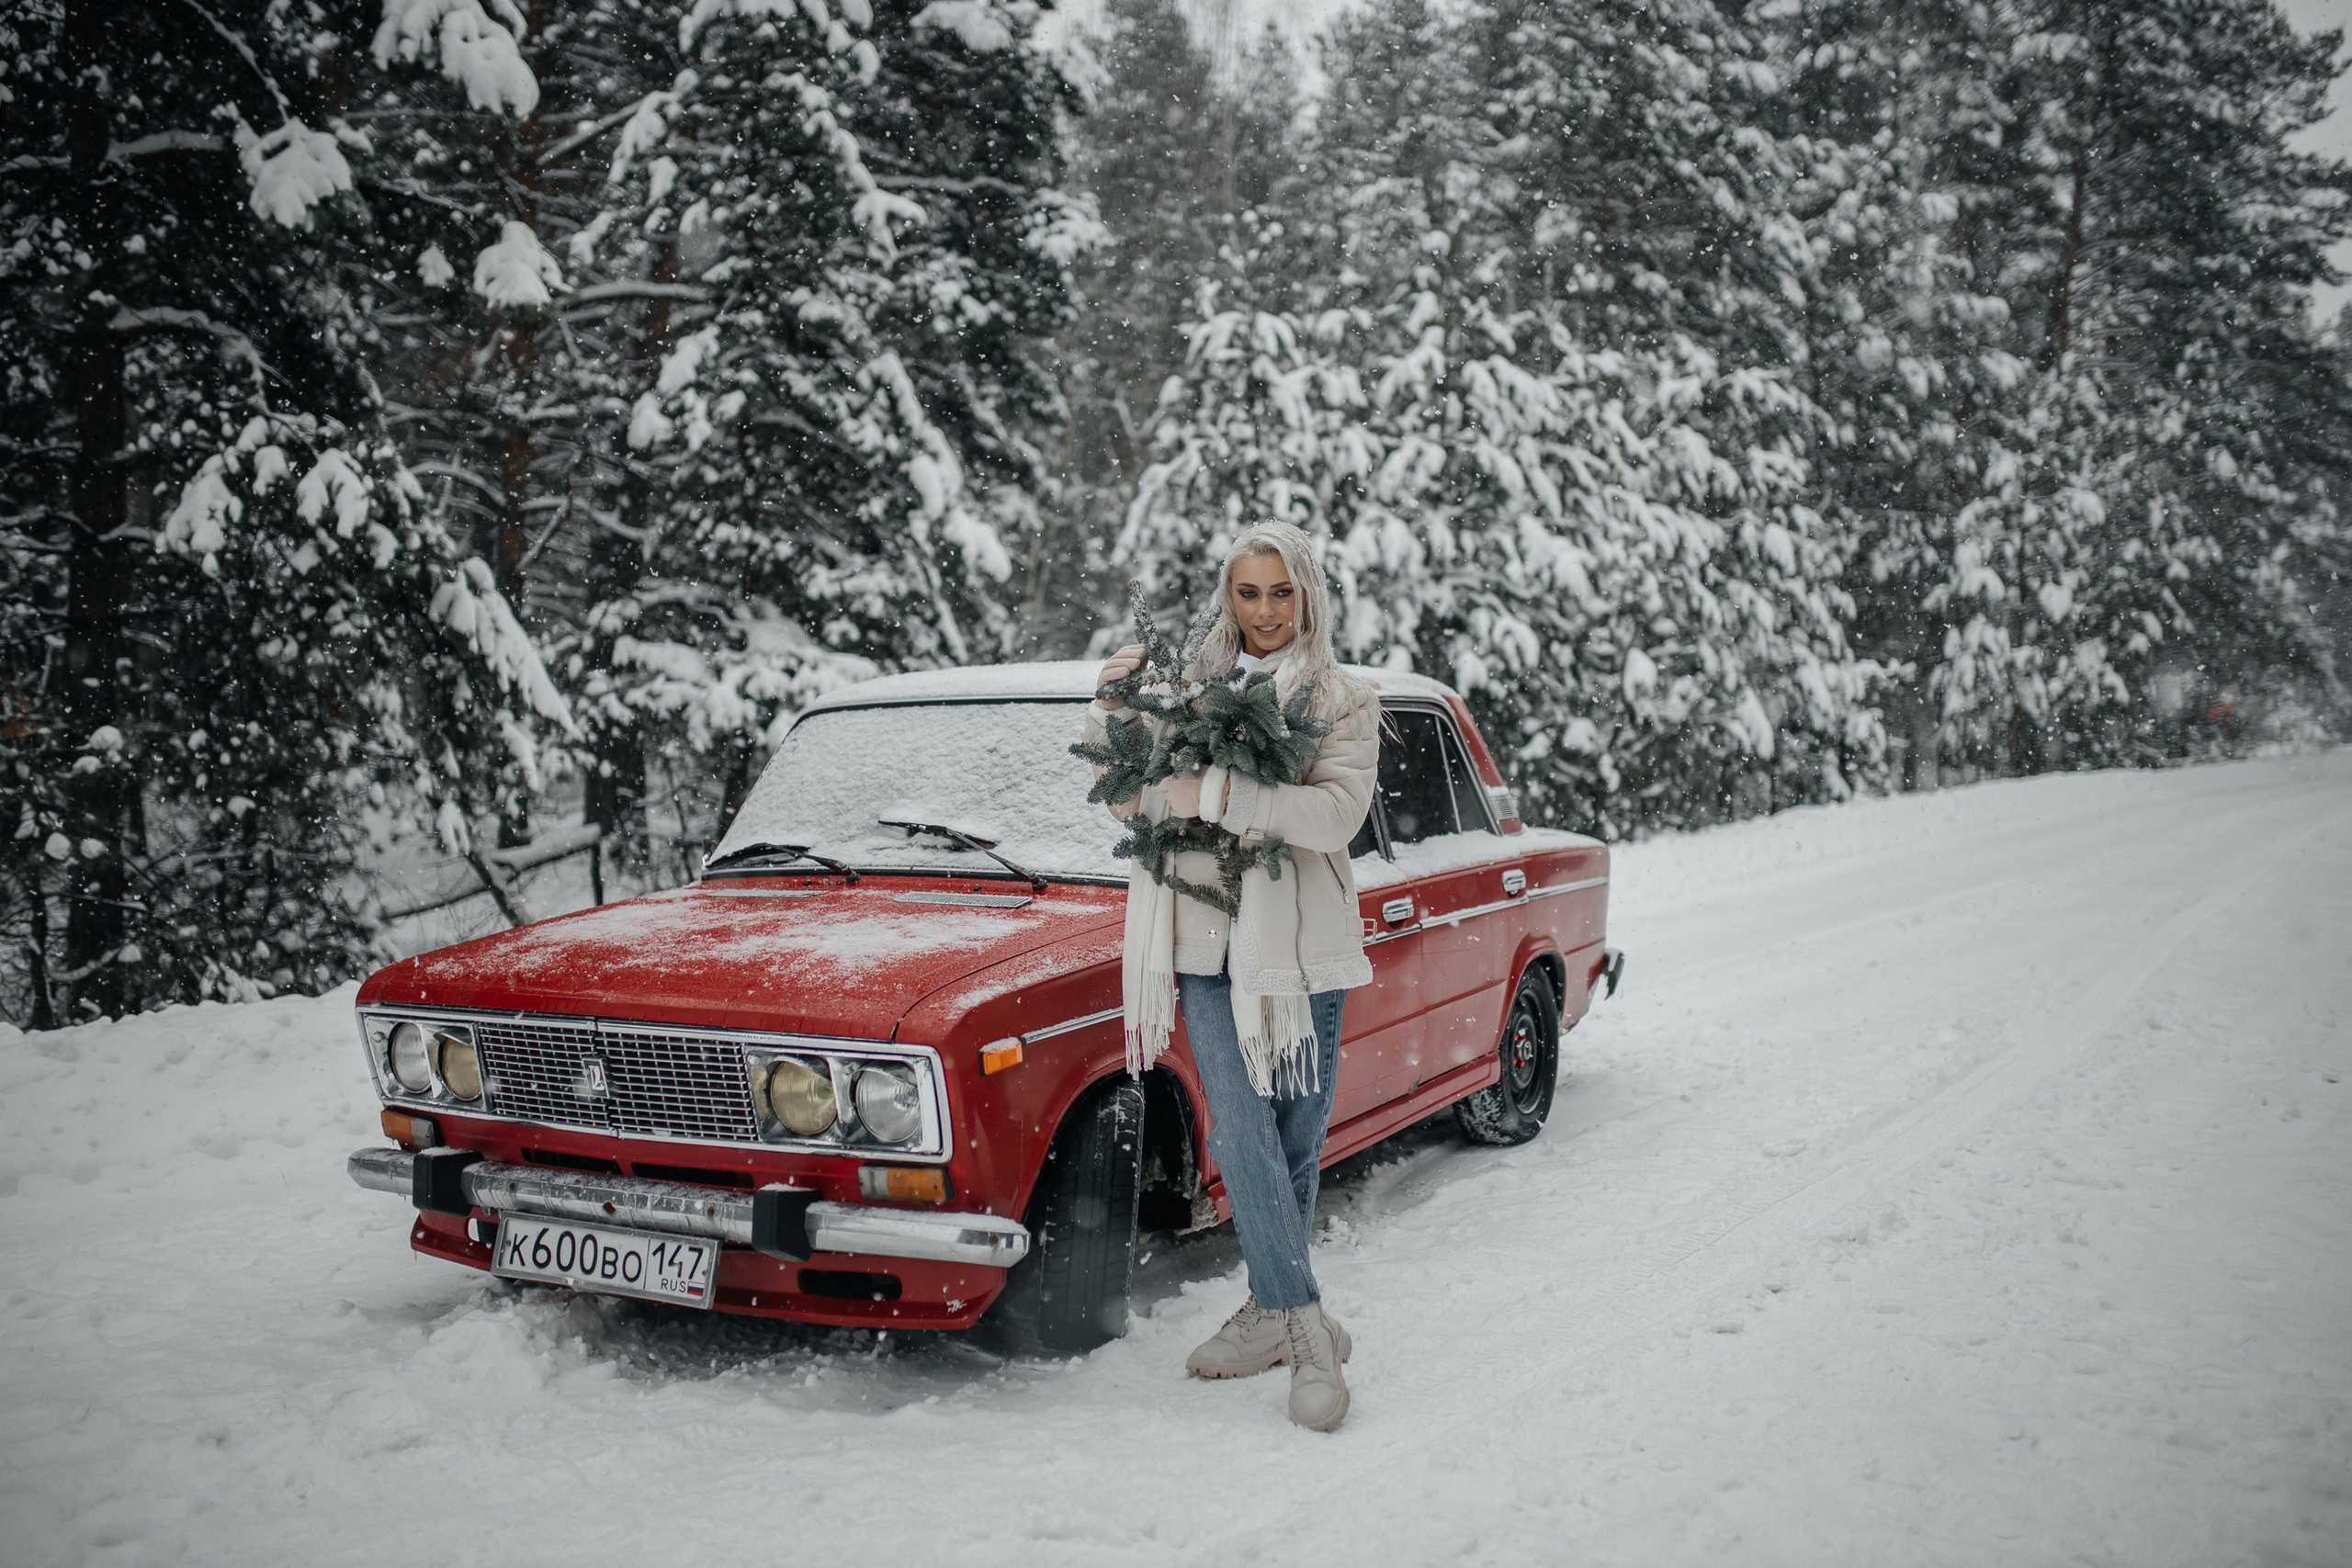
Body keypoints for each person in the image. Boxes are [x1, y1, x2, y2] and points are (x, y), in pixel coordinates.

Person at [1080, 521, 1378, 1432]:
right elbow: (1130, 796)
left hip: (1299, 946)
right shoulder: (1192, 690)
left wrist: (1220, 795)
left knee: (1293, 1137)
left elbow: (1335, 816)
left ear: (1307, 594)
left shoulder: (1343, 697)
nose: (1264, 611)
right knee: (1242, 1131)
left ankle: (1265, 1307)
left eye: (1281, 592)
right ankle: (1310, 1332)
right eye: (1248, 593)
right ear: (1227, 596)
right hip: (1204, 943)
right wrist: (1111, 711)